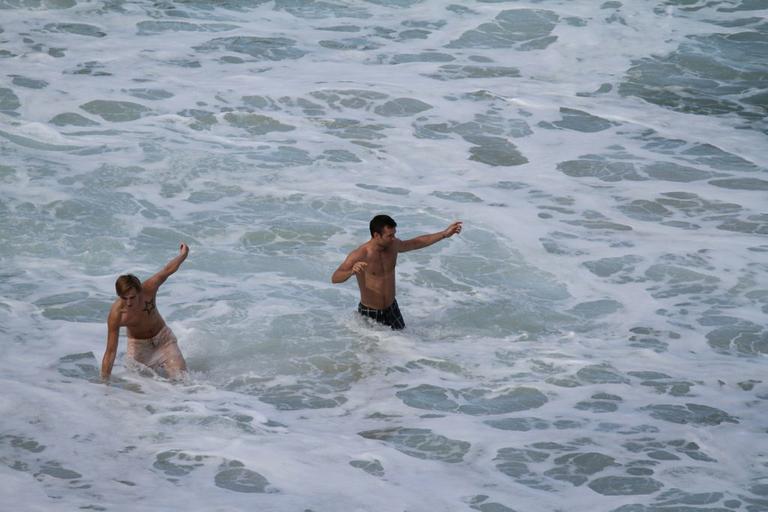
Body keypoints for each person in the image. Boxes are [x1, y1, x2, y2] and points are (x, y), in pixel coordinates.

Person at [332, 215, 462, 330]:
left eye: (394, 234)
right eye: (390, 235)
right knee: (373, 355)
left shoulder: (393, 246)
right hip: (370, 313)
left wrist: (444, 234)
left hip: (392, 309)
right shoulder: (360, 254)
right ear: (376, 235)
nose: (394, 238)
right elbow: (335, 278)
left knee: (404, 351)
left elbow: (417, 243)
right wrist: (351, 272)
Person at [101, 243, 190, 381]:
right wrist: (104, 382)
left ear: (139, 291)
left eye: (132, 297)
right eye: (124, 298)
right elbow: (111, 351)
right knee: (139, 391)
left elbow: (167, 270)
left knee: (182, 380)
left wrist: (183, 255)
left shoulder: (149, 288)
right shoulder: (116, 315)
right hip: (139, 348)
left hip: (163, 340)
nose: (129, 302)